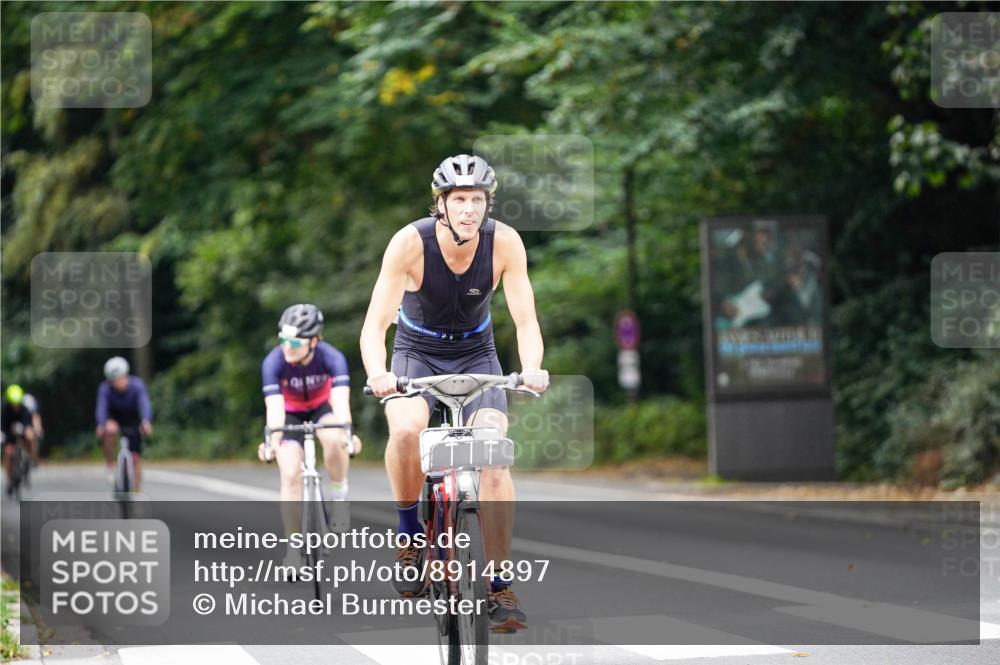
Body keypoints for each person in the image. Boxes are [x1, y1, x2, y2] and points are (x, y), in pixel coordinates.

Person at [360, 153, 549, 632]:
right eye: (459, 199)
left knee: (494, 453)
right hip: (416, 354)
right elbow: (375, 324)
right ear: (440, 204)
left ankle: (499, 585)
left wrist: (531, 368)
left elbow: (525, 319)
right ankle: (409, 540)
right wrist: (380, 373)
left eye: (478, 199)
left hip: (476, 355)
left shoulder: (504, 242)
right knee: (406, 430)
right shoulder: (410, 243)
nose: (469, 208)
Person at [258, 304, 361, 565]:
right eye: (283, 339)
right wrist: (271, 442)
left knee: (334, 438)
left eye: (294, 341)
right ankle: (293, 550)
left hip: (321, 408)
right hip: (289, 414)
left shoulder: (331, 357)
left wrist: (347, 433)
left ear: (314, 341)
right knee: (290, 473)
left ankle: (339, 494)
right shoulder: (273, 361)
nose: (287, 346)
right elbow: (275, 407)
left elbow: (340, 402)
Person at [95, 356, 153, 490]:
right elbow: (101, 407)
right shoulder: (105, 389)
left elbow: (144, 404)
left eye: (120, 378)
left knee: (136, 456)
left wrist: (146, 421)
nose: (118, 382)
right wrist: (101, 424)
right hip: (114, 419)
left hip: (133, 419)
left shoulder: (137, 385)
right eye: (114, 380)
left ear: (126, 375)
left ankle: (136, 489)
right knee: (109, 431)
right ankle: (110, 465)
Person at [2, 385, 36, 495]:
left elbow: (28, 425)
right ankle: (9, 479)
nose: (15, 406)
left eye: (17, 403)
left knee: (30, 437)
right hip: (8, 435)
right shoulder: (4, 410)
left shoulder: (24, 410)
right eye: (13, 403)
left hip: (22, 434)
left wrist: (28, 431)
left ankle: (30, 458)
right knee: (8, 452)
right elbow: (3, 427)